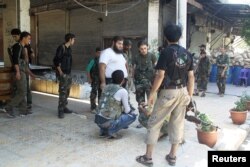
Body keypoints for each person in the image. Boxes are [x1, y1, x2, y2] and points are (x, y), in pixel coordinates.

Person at [136, 24, 194, 166]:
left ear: (166, 37)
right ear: (180, 37)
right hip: (183, 91)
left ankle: (148, 157)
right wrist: (190, 96)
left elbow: (160, 75)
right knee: (177, 123)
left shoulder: (165, 52)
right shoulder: (187, 53)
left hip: (169, 92)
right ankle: (172, 156)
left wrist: (152, 92)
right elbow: (191, 77)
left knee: (154, 122)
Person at [94, 70, 137, 139]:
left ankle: (103, 131)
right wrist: (132, 111)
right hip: (108, 122)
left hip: (97, 120)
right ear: (123, 80)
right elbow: (127, 110)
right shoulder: (122, 91)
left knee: (113, 110)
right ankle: (112, 131)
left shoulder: (105, 87)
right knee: (133, 116)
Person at [4, 31, 32, 118]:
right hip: (19, 72)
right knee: (23, 91)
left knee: (21, 91)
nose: (29, 40)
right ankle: (8, 107)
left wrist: (30, 73)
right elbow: (15, 60)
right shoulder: (17, 46)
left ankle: (23, 110)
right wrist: (18, 72)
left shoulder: (22, 47)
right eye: (28, 38)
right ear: (23, 38)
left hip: (22, 71)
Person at [53, 33, 75, 119]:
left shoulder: (69, 49)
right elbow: (55, 61)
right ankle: (60, 110)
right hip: (63, 74)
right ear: (70, 39)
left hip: (68, 73)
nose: (74, 41)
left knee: (67, 91)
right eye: (73, 39)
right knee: (62, 92)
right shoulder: (61, 48)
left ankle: (64, 107)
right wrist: (60, 72)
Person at [132, 40, 157, 105]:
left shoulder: (152, 56)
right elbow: (133, 69)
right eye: (141, 49)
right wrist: (132, 80)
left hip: (150, 82)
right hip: (139, 81)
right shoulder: (136, 57)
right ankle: (142, 114)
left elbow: (156, 68)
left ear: (147, 47)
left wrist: (156, 81)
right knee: (140, 101)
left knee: (151, 100)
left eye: (145, 48)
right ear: (139, 49)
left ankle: (150, 114)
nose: (143, 50)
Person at [86, 47, 102, 113]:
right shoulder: (93, 60)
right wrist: (89, 78)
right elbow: (88, 69)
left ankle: (100, 107)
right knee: (93, 93)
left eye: (101, 53)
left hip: (101, 80)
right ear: (96, 53)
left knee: (101, 94)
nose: (100, 54)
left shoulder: (103, 61)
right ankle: (93, 107)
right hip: (95, 79)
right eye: (98, 53)